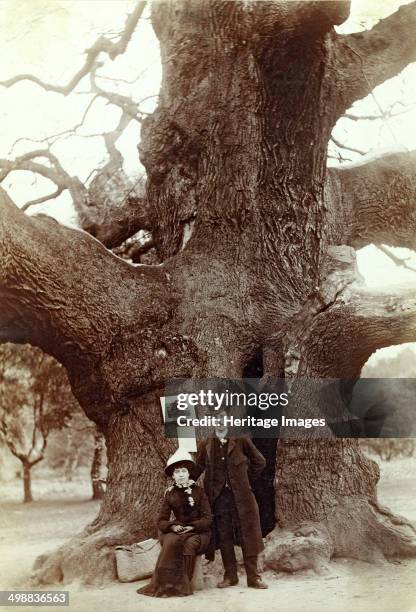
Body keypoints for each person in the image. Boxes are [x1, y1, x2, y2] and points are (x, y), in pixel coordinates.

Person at [194, 409, 268, 589]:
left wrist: (245, 481)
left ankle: (253, 577)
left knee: (248, 534)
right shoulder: (206, 443)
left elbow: (260, 461)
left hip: (242, 497)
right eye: (215, 419)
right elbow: (199, 466)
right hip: (218, 499)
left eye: (222, 418)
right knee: (224, 535)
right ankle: (230, 576)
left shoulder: (240, 439)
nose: (219, 422)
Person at [137, 448, 212, 598]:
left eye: (183, 471)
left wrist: (192, 526)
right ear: (173, 476)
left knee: (189, 544)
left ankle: (181, 586)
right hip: (178, 529)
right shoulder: (170, 493)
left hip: (199, 532)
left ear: (189, 473)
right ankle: (165, 585)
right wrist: (172, 526)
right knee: (171, 541)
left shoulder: (199, 491)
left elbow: (208, 518)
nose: (181, 475)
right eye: (177, 472)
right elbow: (161, 519)